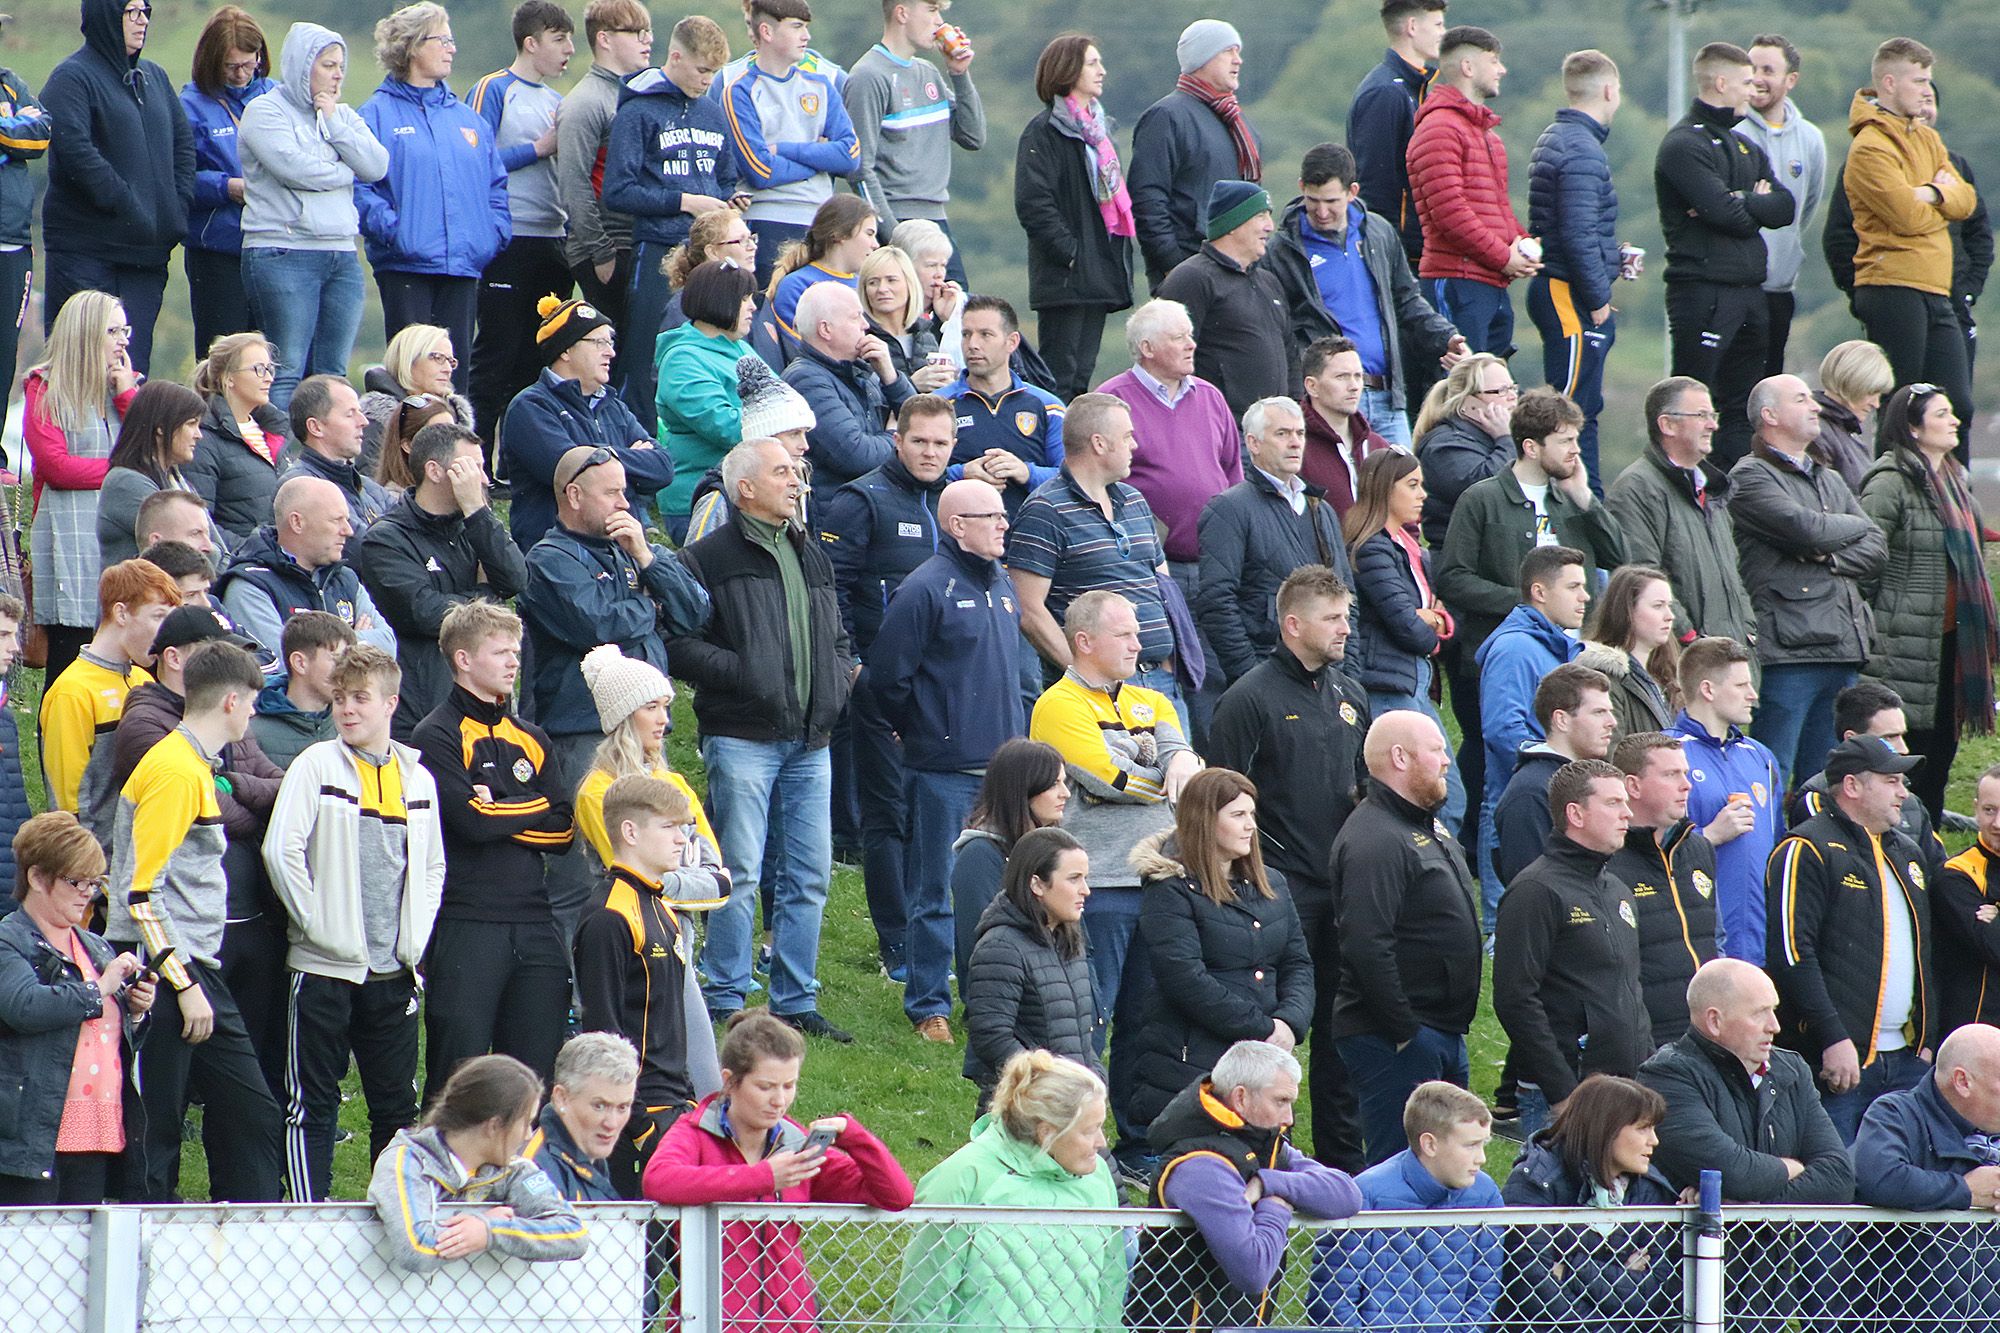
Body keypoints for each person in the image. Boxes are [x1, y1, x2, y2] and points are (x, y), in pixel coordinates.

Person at [666, 439, 853, 1038]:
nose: (797, 481)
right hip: (743, 735)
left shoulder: (809, 548)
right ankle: (725, 995)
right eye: (782, 473)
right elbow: (679, 643)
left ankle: (796, 1001)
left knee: (810, 873)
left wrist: (840, 679)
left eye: (797, 472)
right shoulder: (707, 557)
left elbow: (838, 634)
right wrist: (747, 675)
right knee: (741, 870)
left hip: (812, 738)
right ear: (744, 488)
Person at [262, 641, 444, 1201]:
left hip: (393, 974)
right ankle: (305, 1221)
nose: (348, 709)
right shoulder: (315, 764)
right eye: (340, 698)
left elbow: (432, 866)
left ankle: (391, 1219)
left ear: (391, 703)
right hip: (323, 971)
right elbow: (281, 850)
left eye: (361, 698)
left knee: (395, 1109)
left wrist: (413, 940)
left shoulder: (419, 779)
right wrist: (320, 928)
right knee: (309, 1104)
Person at [106, 640, 284, 1201]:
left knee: (253, 1114)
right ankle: (145, 1241)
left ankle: (244, 1235)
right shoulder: (177, 770)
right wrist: (181, 984)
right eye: (253, 702)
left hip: (195, 965)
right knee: (156, 1123)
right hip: (164, 971)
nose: (255, 713)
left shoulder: (193, 765)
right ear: (231, 701)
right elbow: (139, 893)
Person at [1028, 589, 1198, 1172]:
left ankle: (1137, 1144)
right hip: (1098, 888)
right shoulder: (1058, 704)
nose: (1138, 643)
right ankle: (1074, 1143)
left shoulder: (1153, 697)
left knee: (1147, 1024)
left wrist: (1176, 761)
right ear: (1084, 642)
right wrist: (1168, 767)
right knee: (1089, 1020)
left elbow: (1186, 763)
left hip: (1158, 883)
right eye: (1124, 634)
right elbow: (1109, 780)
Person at [1208, 566, 1369, 1167]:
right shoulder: (1248, 699)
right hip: (1276, 892)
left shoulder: (1351, 695)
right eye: (1332, 618)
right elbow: (1217, 797)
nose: (1345, 629)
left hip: (1345, 892)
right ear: (1293, 623)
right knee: (1274, 1033)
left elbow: (1363, 789)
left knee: (1339, 1030)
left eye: (1346, 616)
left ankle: (1339, 1165)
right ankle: (1259, 1154)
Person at [863, 474, 1023, 1039]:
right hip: (943, 773)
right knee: (937, 889)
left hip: (1004, 772)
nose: (1004, 525)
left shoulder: (1002, 581)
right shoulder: (925, 588)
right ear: (957, 526)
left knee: (1003, 892)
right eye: (992, 517)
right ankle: (929, 1003)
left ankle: (994, 1002)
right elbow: (885, 680)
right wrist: (925, 732)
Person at [641, 1010, 914, 1325]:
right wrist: (764, 1177)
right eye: (766, 1086)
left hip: (792, 1322)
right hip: (709, 1320)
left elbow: (898, 1196)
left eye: (789, 1085)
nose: (779, 1100)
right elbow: (658, 1180)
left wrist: (854, 1135)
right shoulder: (693, 1132)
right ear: (729, 1082)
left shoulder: (796, 1144)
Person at [412, 602, 575, 1098]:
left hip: (535, 923)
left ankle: (519, 1174)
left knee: (533, 1081)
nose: (513, 661)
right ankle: (439, 1174)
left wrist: (501, 806)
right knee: (455, 1075)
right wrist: (532, 805)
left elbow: (564, 831)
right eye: (500, 651)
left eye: (515, 651)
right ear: (463, 659)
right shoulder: (435, 734)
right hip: (467, 923)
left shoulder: (532, 737)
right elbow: (470, 822)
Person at [572, 645, 730, 1101]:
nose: (663, 720)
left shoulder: (675, 783)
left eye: (665, 707)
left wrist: (688, 880)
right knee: (639, 1075)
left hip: (680, 945)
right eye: (651, 707)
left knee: (703, 1084)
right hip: (633, 945)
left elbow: (719, 881)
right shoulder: (597, 791)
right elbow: (638, 877)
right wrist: (690, 878)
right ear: (624, 716)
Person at [1325, 707, 1480, 1164]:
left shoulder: (1423, 824)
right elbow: (1365, 944)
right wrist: (1404, 1031)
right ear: (1400, 757)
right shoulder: (1374, 837)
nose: (1448, 759)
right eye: (1436, 750)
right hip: (1399, 1038)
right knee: (1403, 1166)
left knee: (1448, 1164)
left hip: (1441, 1031)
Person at [1125, 768, 1314, 1137]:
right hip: (1195, 1060)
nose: (1250, 826)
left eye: (1252, 815)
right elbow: (1184, 977)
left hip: (1265, 1055)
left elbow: (1297, 962)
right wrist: (1262, 1029)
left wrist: (1290, 1023)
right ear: (1205, 821)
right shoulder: (1170, 889)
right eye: (1238, 815)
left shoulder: (1273, 882)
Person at [1126, 1041, 1362, 1333]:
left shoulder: (1266, 1145)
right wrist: (1277, 1206)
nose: (1289, 1118)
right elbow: (1253, 1269)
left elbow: (1347, 1195)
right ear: (1240, 1098)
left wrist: (1269, 1183)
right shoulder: (1200, 1165)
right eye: (1281, 1101)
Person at [1768, 734, 1934, 1143]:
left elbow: (1926, 953)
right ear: (1852, 786)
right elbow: (1791, 952)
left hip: (1909, 1062)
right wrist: (1832, 1037)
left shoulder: (1908, 852)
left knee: (1901, 1189)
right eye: (1891, 780)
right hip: (1841, 1059)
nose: (1903, 791)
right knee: (1837, 1189)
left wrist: (1928, 1039)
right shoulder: (1806, 847)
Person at [520, 444, 709, 800]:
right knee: (589, 851)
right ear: (574, 496)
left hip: (645, 730)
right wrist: (652, 609)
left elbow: (695, 611)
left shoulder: (632, 548)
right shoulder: (547, 560)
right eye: (612, 493)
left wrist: (647, 558)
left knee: (646, 847)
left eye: (624, 491)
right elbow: (598, 627)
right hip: (584, 732)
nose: (624, 503)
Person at [1730, 374, 1886, 790]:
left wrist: (1831, 555)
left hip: (1843, 646)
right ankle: (1770, 853)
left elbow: (1877, 546)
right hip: (1788, 652)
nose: (1815, 406)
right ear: (1770, 415)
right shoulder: (1750, 477)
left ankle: (1816, 855)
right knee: (1772, 772)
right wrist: (1847, 528)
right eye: (1801, 399)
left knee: (1830, 778)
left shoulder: (1829, 478)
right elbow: (1805, 529)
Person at [574, 774, 728, 1195]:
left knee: (684, 1255)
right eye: (669, 827)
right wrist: (638, 1122)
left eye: (682, 827)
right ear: (630, 832)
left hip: (677, 1108)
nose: (682, 840)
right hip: (636, 1120)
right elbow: (601, 1030)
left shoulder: (660, 906)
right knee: (639, 1253)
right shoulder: (609, 916)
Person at [897, 1050, 1122, 1333]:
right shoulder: (963, 1177)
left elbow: (1109, 1292)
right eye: (1090, 1130)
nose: (1101, 1142)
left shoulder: (1098, 1177)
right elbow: (922, 1305)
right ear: (1047, 1132)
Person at [0, 811, 154, 1204]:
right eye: (75, 881)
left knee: (82, 1255)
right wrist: (99, 988)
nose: (87, 892)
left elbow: (110, 1033)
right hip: (34, 1133)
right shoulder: (8, 940)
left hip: (98, 1130)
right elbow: (24, 1007)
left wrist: (136, 1010)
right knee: (30, 1255)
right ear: (36, 878)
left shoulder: (95, 945)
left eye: (94, 883)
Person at [1268, 147, 1466, 452]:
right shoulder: (1283, 250)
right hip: (1328, 403)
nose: (1322, 212)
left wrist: (1445, 336)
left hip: (1387, 396)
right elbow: (1281, 329)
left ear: (1352, 192)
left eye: (1331, 202)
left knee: (1403, 487)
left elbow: (1407, 300)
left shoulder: (1379, 233)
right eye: (1313, 201)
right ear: (1301, 188)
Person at [1655, 42, 1795, 470]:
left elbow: (1784, 207)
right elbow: (1727, 216)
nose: (1753, 91)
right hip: (1704, 292)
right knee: (1696, 406)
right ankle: (1689, 493)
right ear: (1720, 83)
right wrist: (1749, 202)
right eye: (1746, 82)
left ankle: (1737, 498)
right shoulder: (1683, 145)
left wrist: (1739, 200)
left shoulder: (1746, 146)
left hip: (1751, 293)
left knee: (1743, 408)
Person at [600, 14, 741, 437]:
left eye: (714, 72)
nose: (706, 80)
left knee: (705, 347)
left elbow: (726, 176)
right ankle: (634, 447)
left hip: (709, 255)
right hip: (658, 249)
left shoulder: (713, 113)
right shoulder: (638, 111)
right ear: (675, 57)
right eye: (701, 70)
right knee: (644, 355)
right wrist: (684, 201)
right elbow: (617, 191)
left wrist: (726, 201)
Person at [1860, 382, 1995, 820]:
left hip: (1953, 646)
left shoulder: (1956, 483)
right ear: (1913, 428)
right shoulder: (1889, 483)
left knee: (1939, 760)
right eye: (1942, 414)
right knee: (1906, 761)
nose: (1955, 421)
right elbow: (1865, 561)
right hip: (1902, 646)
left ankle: (1930, 855)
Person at [236, 22, 387, 415]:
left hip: (340, 255)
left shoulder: (344, 116)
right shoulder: (263, 111)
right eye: (328, 64)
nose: (338, 74)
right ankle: (280, 467)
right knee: (286, 369)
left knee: (333, 376)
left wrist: (334, 123)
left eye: (341, 65)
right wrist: (344, 168)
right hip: (283, 252)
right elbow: (295, 169)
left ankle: (328, 468)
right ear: (303, 66)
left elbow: (376, 164)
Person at [1494, 759, 1649, 1136]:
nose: (1627, 813)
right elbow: (1515, 998)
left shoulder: (1617, 889)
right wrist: (1562, 1091)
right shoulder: (1536, 891)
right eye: (1613, 803)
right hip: (1567, 1096)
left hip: (1628, 1089)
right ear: (1575, 814)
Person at [356, 3, 509, 383]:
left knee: (453, 382)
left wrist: (490, 236)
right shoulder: (375, 115)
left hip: (463, 266)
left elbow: (496, 186)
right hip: (405, 265)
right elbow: (359, 187)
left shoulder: (467, 120)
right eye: (442, 39)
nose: (451, 48)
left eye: (451, 40)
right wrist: (395, 231)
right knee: (412, 380)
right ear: (410, 47)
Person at [40, 0, 193, 375]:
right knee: (81, 370)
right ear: (106, 15)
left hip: (146, 258)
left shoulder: (153, 78)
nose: (142, 21)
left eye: (145, 11)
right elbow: (75, 152)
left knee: (132, 373)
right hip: (87, 254)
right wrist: (125, 202)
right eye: (131, 11)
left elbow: (183, 147)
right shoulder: (71, 79)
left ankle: (127, 438)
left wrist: (176, 208)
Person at [1436, 389, 1624, 695]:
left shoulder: (1573, 499)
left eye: (1576, 440)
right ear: (1531, 447)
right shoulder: (1481, 499)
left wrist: (1584, 497)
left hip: (1574, 661)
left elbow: (1619, 556)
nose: (1576, 450)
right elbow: (1453, 579)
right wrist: (1529, 603)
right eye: (1565, 441)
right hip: (1504, 663)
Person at [1097, 301, 1240, 699]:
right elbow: (1098, 482)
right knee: (1160, 679)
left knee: (1216, 677)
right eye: (1179, 337)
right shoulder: (1112, 402)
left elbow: (1233, 473)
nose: (1192, 344)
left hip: (1214, 566)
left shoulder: (1211, 397)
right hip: (1152, 571)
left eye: (1190, 335)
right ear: (1147, 347)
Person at [1846, 38, 1978, 458]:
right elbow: (1906, 216)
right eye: (1919, 80)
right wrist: (1939, 197)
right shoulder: (1869, 147)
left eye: (1929, 80)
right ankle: (1892, 495)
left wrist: (1931, 195)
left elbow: (1967, 201)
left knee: (1956, 402)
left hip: (1937, 289)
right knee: (1901, 406)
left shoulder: (1928, 139)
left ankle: (1948, 503)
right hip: (1891, 286)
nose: (1927, 90)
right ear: (1889, 82)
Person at [355, 421, 528, 739]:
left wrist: (477, 509)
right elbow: (428, 613)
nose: (484, 479)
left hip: (483, 707)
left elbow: (516, 578)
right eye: (472, 468)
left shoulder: (473, 525)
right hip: (422, 714)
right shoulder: (386, 539)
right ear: (435, 471)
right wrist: (487, 595)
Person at [1639, 957, 1854, 1203]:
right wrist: (1793, 1169)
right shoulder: (1668, 1076)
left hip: (1785, 1242)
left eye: (1773, 1011)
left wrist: (1747, 1204)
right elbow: (1735, 1174)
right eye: (1760, 1013)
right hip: (1702, 1241)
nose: (1775, 1026)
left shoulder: (1792, 1070)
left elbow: (1839, 1179)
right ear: (1714, 1021)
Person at [1008, 393, 1179, 692]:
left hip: (1161, 682)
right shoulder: (1045, 510)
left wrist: (1168, 660)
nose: (1134, 445)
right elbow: (1029, 609)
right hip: (1094, 690)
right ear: (1099, 444)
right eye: (1127, 436)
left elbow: (1162, 584)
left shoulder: (1135, 500)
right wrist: (1084, 678)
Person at [1307, 1082, 1503, 1333]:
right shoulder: (1365, 1195)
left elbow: (1484, 1292)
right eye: (1470, 1145)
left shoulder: (1485, 1196)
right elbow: (1332, 1299)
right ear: (1430, 1144)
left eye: (1483, 1144)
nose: (1482, 1158)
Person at [467, 2, 577, 445]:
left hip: (553, 240)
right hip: (509, 238)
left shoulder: (558, 101)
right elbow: (473, 160)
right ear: (531, 44)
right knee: (496, 354)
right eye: (559, 39)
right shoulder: (494, 88)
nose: (569, 49)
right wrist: (537, 148)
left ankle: (518, 463)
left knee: (537, 359)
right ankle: (478, 459)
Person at [369, 1053, 589, 1273]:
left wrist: (490, 1231)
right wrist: (478, 1226)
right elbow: (417, 1249)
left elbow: (573, 1234)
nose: (528, 1136)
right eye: (525, 1123)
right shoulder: (406, 1161)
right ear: (493, 1126)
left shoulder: (514, 1169)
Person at [1342, 450, 1465, 832]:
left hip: (1413, 682)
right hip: (1389, 687)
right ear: (1383, 489)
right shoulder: (1373, 547)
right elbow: (1408, 628)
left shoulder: (1412, 548)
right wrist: (1427, 619)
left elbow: (1446, 622)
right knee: (1433, 797)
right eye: (1412, 485)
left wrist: (1432, 618)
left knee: (1449, 797)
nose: (1423, 494)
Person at [1499, 1075, 1679, 1333]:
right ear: (1606, 1128)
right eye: (1643, 1128)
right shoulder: (1536, 1180)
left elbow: (1654, 1292)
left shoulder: (1649, 1188)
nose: (1654, 1141)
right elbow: (1534, 1288)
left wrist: (1571, 1268)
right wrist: (1622, 1276)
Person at [25, 290, 140, 678]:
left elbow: (148, 452)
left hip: (120, 537)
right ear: (86, 334)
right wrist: (120, 471)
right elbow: (57, 467)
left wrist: (126, 396)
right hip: (69, 538)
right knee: (69, 656)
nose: (123, 339)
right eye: (113, 330)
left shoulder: (127, 387)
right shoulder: (44, 387)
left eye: (125, 329)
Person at [1014, 32, 1134, 402]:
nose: (1102, 71)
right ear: (1069, 70)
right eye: (1092, 63)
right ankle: (1052, 451)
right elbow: (1034, 204)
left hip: (1098, 270)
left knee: (1082, 375)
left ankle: (1073, 452)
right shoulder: (1044, 131)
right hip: (1066, 278)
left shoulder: (1097, 133)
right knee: (1058, 376)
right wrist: (1071, 252)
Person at [503, 294, 676, 551]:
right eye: (600, 342)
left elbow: (663, 468)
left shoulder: (613, 406)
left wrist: (599, 455)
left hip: (622, 551)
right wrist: (628, 457)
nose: (611, 352)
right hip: (559, 555)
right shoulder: (530, 407)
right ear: (565, 349)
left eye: (610, 342)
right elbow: (572, 471)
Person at [1195, 401, 1349, 687]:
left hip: (1326, 678)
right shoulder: (1229, 508)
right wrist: (1252, 678)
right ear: (1253, 443)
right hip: (1266, 667)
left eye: (1300, 434)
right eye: (1282, 434)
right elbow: (1216, 601)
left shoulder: (1321, 509)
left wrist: (1348, 678)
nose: (1295, 443)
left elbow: (1347, 594)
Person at [1473, 545, 1590, 923]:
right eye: (1573, 586)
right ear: (1539, 592)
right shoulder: (1515, 648)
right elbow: (1502, 729)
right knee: (1517, 927)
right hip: (1521, 810)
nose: (1585, 596)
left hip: (1551, 802)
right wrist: (1554, 771)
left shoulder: (1553, 646)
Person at [1407, 26, 1538, 357]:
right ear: (1467, 67)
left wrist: (1521, 243)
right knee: (1458, 393)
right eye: (1493, 61)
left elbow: (1497, 208)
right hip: (1457, 281)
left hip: (1489, 281)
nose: (1502, 70)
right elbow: (1449, 211)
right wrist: (1503, 256)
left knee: (1491, 394)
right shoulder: (1439, 128)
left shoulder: (1487, 136)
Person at [1527, 50, 1623, 487]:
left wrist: (1616, 259)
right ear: (1608, 90)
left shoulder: (1561, 137)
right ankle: (1570, 506)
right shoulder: (1583, 149)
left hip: (1565, 285)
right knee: (1565, 416)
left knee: (1582, 412)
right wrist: (1600, 296)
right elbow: (1577, 232)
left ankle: (1590, 504)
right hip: (1568, 292)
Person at [1604, 377, 1757, 648]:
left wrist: (1747, 631)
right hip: (1681, 664)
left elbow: (1734, 576)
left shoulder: (1712, 489)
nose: (1713, 425)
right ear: (1667, 425)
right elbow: (1642, 577)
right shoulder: (1637, 488)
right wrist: (1689, 638)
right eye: (1701, 415)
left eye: (1713, 415)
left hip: (1726, 659)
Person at [720, 0, 859, 289]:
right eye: (797, 27)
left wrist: (785, 149)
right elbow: (761, 171)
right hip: (767, 224)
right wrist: (820, 159)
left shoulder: (821, 87)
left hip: (821, 224)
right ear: (766, 32)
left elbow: (849, 157)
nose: (806, 37)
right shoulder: (739, 91)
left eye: (806, 28)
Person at [960, 824, 1100, 1105]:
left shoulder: (1068, 938)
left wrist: (1093, 1082)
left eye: (1085, 878)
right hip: (1027, 1111)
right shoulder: (1001, 946)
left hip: (1072, 1107)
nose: (1086, 890)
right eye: (1074, 879)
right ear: (1037, 884)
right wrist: (1050, 1087)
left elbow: (1080, 1034)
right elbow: (991, 1037)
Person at [38, 560, 178, 840]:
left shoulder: (143, 679)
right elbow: (67, 801)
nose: (166, 631)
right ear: (121, 613)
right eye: (158, 616)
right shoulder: (72, 691)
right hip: (98, 863)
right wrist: (86, 870)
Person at [1668, 637, 1779, 967]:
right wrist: (1710, 836)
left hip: (1760, 947)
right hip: (1696, 948)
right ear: (1708, 689)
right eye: (1742, 684)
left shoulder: (1761, 757)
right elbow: (1647, 854)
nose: (1753, 695)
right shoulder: (1668, 754)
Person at [1128, 20, 1262, 293]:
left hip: (1238, 271)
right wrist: (1173, 265)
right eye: (1229, 51)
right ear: (1203, 57)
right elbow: (1147, 200)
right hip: (1188, 268)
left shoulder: (1237, 123)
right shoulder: (1166, 117)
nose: (1238, 60)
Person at [1606, 731, 1720, 1049]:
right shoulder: (1606, 860)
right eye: (1671, 775)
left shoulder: (1698, 849)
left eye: (1685, 773)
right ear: (1633, 786)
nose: (1686, 784)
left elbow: (1716, 938)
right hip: (1645, 1042)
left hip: (1707, 1035)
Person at [845, 0, 983, 261]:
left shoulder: (928, 72)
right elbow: (859, 169)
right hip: (897, 219)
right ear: (902, 13)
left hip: (936, 219)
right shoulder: (869, 75)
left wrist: (959, 73)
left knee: (956, 299)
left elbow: (973, 136)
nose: (939, 21)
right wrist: (894, 234)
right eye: (932, 10)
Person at [215, 475, 396, 663]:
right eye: (337, 520)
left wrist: (331, 649)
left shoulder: (344, 577)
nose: (348, 531)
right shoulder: (251, 586)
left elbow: (388, 647)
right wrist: (354, 641)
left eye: (347, 520)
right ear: (297, 522)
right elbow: (283, 664)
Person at [180, 7, 275, 356]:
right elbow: (179, 178)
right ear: (211, 61)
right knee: (224, 355)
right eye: (231, 66)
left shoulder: (276, 97)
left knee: (271, 355)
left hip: (272, 244)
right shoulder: (190, 106)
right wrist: (225, 187)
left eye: (249, 64)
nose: (241, 74)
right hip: (217, 248)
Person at [1157, 182, 1294, 422]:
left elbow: (1290, 352)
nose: (1269, 227)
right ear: (1233, 224)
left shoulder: (1268, 282)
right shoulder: (1191, 278)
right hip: (1221, 425)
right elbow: (1164, 359)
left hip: (1274, 431)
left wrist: (1294, 409)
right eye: (1260, 216)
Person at [1787, 682, 1946, 888]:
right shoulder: (1817, 800)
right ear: (1852, 739)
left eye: (1902, 736)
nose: (1904, 749)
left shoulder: (1911, 803)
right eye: (1889, 737)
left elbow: (1939, 875)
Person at [558, 0, 656, 330]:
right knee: (614, 352)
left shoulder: (641, 95)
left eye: (649, 32)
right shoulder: (586, 101)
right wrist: (600, 252)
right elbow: (573, 183)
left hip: (641, 240)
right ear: (605, 39)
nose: (648, 40)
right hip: (607, 248)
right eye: (637, 32)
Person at [1734, 34, 1826, 378]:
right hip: (1735, 285)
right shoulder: (1733, 129)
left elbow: (1805, 207)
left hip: (1778, 288)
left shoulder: (1811, 139)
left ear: (1791, 80)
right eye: (1751, 68)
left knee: (1769, 389)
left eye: (1767, 70)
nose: (1757, 78)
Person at [652, 261, 762, 537]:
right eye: (745, 299)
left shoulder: (739, 347)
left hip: (747, 493)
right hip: (703, 499)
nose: (753, 307)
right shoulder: (683, 359)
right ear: (720, 300)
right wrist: (774, 419)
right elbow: (726, 427)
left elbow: (788, 403)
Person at [950, 740, 1069, 989]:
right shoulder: (979, 856)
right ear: (1023, 789)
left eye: (1063, 782)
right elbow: (982, 947)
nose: (1065, 793)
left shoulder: (1052, 850)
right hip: (1006, 1003)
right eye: (1054, 784)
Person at [783, 280, 917, 494]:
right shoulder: (805, 380)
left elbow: (921, 421)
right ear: (826, 329)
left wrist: (891, 377)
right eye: (856, 317)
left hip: (874, 502)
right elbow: (857, 456)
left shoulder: (863, 372)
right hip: (838, 513)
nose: (866, 325)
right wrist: (895, 434)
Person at [1492, 663, 1617, 887]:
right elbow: (1530, 889)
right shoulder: (1530, 793)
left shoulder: (1599, 781)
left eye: (1610, 712)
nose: (1612, 723)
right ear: (1561, 720)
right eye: (1599, 712)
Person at [937, 294, 1065, 511]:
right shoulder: (938, 404)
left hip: (1030, 535)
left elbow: (1072, 477)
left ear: (1012, 342)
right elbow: (911, 472)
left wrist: (1027, 473)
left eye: (985, 335)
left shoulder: (1049, 407)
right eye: (966, 334)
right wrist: (961, 473)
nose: (972, 344)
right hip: (956, 536)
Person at [1349, 0, 1447, 268]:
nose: (1443, 33)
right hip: (1400, 256)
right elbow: (1375, 184)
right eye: (1438, 24)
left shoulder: (1416, 90)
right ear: (1412, 26)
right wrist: (1389, 254)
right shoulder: (1386, 92)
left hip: (1419, 252)